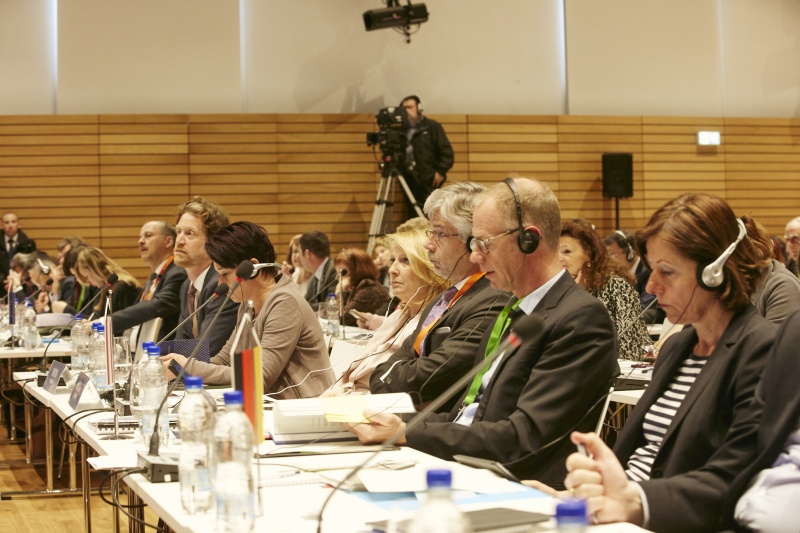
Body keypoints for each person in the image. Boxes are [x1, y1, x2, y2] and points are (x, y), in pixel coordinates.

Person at [351, 177, 618, 486]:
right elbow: (468, 415)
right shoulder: (516, 310)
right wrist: (389, 421)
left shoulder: (579, 318)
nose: (475, 256)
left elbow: (523, 437)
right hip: (469, 465)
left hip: (519, 484)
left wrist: (405, 432)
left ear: (528, 240)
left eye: (483, 243)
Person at [556, 193, 775, 532]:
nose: (652, 285)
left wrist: (633, 502)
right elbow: (637, 457)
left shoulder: (762, 351)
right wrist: (579, 498)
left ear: (714, 273)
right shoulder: (678, 348)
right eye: (651, 269)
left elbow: (735, 477)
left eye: (667, 271)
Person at [369, 181, 510, 412]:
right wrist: (386, 378)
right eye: (430, 232)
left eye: (439, 234)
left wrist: (388, 378)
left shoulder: (493, 299)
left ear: (471, 241)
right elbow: (384, 371)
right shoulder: (442, 299)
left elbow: (430, 377)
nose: (428, 244)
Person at [162, 221, 334, 398]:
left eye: (225, 274)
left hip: (307, 410)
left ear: (252, 269)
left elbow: (260, 376)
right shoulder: (247, 303)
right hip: (274, 407)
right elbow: (225, 359)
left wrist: (188, 367)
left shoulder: (285, 302)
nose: (220, 284)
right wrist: (179, 366)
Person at [324, 229, 447, 395]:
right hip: (349, 395)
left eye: (405, 260)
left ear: (430, 269)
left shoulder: (435, 322)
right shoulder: (399, 315)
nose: (392, 270)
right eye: (392, 260)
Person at [732, 310, 800, 533]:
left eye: (667, 272)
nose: (653, 286)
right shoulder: (795, 327)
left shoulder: (761, 337)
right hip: (737, 514)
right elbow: (746, 439)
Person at [561, 221, 651, 361]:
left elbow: (630, 347)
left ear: (588, 253)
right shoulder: (558, 290)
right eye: (555, 253)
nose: (559, 258)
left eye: (566, 251)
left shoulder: (616, 287)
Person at [172, 196, 238, 356]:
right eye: (178, 232)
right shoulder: (187, 287)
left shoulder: (222, 285)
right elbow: (180, 345)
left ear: (212, 243)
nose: (179, 241)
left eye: (190, 234)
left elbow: (206, 350)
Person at [108, 221, 187, 339]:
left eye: (148, 235)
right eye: (140, 237)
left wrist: (106, 323)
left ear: (168, 241)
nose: (140, 241)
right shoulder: (154, 277)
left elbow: (157, 305)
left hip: (162, 353)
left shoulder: (177, 273)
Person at [399, 95, 454, 219]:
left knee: (430, 213)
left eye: (409, 107)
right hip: (408, 180)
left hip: (429, 179)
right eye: (403, 109)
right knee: (412, 215)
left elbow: (447, 152)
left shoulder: (432, 126)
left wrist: (440, 171)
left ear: (419, 108)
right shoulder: (400, 131)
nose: (406, 111)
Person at [743, 216, 800, 324]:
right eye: (787, 240)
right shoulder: (790, 264)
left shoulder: (783, 284)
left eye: (795, 239)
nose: (790, 246)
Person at [604, 229, 664, 324]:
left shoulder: (647, 271)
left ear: (630, 254)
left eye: (613, 255)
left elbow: (646, 307)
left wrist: (618, 317)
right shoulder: (616, 274)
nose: (609, 261)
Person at [74, 246, 141, 318]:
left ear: (94, 270)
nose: (88, 282)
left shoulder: (124, 287)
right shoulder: (105, 288)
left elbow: (128, 322)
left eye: (86, 276)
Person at [334, 248, 390, 327]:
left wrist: (340, 291)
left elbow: (340, 318)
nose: (337, 277)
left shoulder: (368, 289)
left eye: (343, 273)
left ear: (357, 270)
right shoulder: (357, 287)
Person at [299, 230, 337, 311]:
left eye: (299, 253)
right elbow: (305, 302)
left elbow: (331, 306)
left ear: (307, 254)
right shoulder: (314, 277)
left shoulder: (334, 270)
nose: (299, 259)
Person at [1, 212, 36, 295]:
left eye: (13, 222)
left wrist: (18, 280)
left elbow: (32, 267)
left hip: (23, 287)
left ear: (19, 224)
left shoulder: (28, 244)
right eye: (7, 222)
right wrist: (5, 281)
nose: (10, 225)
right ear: (1, 225)